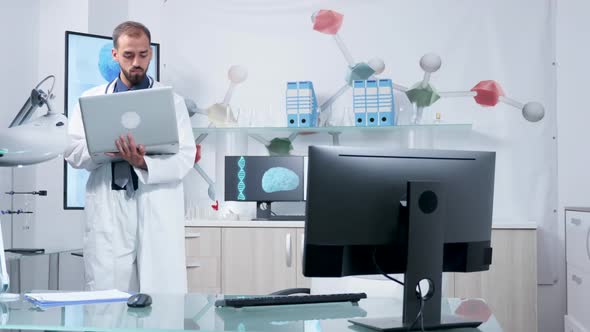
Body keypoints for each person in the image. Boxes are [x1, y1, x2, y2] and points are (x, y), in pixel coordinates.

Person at [65, 21, 196, 294]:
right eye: (128, 55)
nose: (137, 62)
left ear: (150, 53)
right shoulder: (90, 100)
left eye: (144, 54)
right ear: (115, 54)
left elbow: (185, 157)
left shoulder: (172, 101)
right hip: (109, 204)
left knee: (162, 291)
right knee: (106, 292)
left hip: (155, 200)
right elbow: (72, 152)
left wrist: (143, 163)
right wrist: (100, 150)